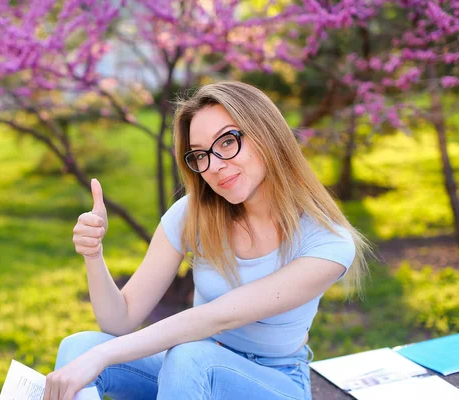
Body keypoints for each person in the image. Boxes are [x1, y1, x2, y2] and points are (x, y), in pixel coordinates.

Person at [43, 81, 373, 400]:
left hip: (274, 382)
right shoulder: (193, 214)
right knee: (78, 348)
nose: (214, 165)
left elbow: (218, 317)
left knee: (190, 357)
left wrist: (103, 356)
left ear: (267, 134)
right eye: (199, 155)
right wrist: (93, 254)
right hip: (187, 371)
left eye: (227, 141)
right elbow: (120, 319)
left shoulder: (327, 242)